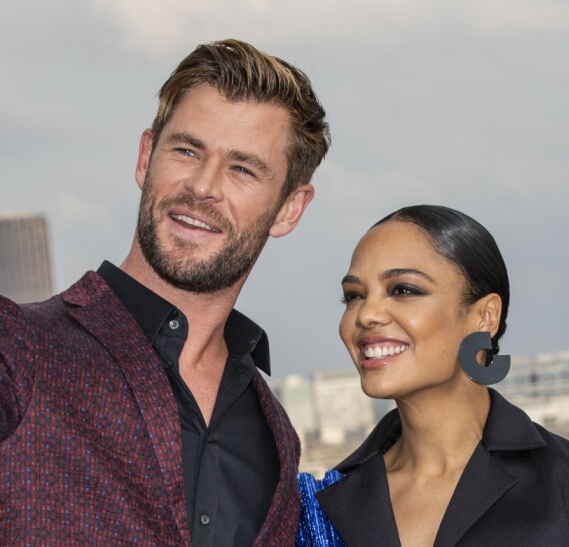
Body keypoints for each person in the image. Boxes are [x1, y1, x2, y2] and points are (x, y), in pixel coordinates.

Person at [0, 39, 330, 546]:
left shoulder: (277, 436)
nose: (202, 185)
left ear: (290, 208)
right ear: (145, 156)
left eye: (242, 169)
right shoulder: (18, 347)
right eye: (187, 150)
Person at [297, 205, 569, 546]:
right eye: (354, 296)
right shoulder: (316, 511)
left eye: (403, 290)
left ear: (485, 316)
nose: (366, 314)